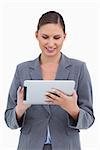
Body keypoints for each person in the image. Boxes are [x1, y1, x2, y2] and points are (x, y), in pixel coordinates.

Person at [5, 11, 95, 150]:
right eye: (45, 37)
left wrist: (73, 110)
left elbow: (88, 120)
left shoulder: (79, 68)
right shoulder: (22, 69)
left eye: (57, 37)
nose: (51, 43)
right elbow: (9, 121)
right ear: (37, 36)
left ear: (64, 37)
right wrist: (20, 109)